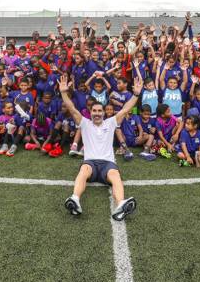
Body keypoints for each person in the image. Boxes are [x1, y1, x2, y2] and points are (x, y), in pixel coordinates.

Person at [59, 72, 142, 221]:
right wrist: (64, 93)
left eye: (99, 111)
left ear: (104, 113)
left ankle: (121, 203)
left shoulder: (111, 122)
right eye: (94, 111)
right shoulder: (84, 123)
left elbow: (125, 109)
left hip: (107, 164)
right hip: (90, 163)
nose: (97, 113)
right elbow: (72, 108)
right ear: (90, 112)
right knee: (83, 170)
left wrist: (136, 95)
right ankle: (75, 199)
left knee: (115, 176)